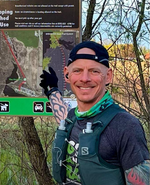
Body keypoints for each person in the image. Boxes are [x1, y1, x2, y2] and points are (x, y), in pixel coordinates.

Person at [40, 41, 150, 185]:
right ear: (67, 74)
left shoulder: (125, 126)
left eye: (94, 71)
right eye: (77, 71)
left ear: (108, 76)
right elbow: (63, 114)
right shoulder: (72, 117)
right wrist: (53, 90)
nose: (85, 79)